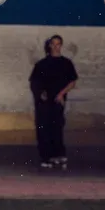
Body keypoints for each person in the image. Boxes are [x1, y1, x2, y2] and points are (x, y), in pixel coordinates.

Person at [29, 34, 78, 169]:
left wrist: (61, 94)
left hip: (58, 101)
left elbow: (72, 82)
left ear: (61, 46)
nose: (56, 47)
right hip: (44, 103)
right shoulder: (41, 64)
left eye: (58, 44)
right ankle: (46, 157)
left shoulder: (66, 63)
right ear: (49, 46)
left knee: (57, 127)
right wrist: (41, 93)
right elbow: (34, 82)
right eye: (53, 44)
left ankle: (58, 154)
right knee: (44, 129)